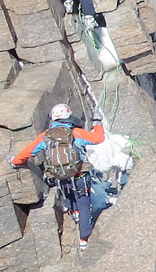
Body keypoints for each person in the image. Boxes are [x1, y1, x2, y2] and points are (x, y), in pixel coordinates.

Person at [12, 103, 108, 249]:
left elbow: (27, 152)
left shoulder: (45, 137)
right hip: (79, 175)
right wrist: (97, 123)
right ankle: (84, 238)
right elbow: (98, 138)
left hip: (60, 176)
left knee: (68, 193)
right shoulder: (76, 133)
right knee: (84, 204)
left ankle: (73, 212)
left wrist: (14, 161)